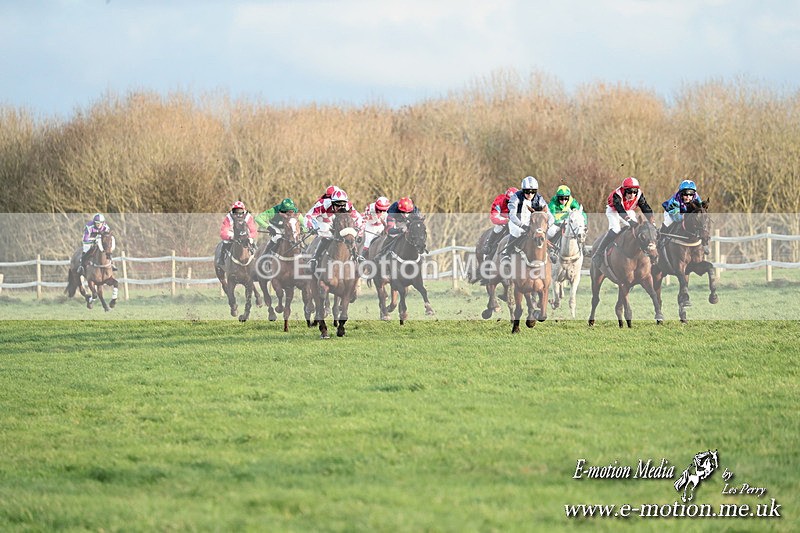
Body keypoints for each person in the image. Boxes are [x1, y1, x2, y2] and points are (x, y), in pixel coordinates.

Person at [592, 177, 655, 260]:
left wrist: (652, 222)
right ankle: (599, 252)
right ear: (624, 190)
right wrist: (628, 220)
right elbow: (620, 209)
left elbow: (645, 207)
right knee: (616, 229)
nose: (632, 194)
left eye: (634, 191)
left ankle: (639, 251)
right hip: (614, 211)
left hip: (628, 210)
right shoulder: (617, 195)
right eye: (629, 191)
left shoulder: (639, 194)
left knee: (636, 229)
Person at [306, 189, 365, 271]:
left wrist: (359, 232)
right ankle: (315, 258)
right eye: (337, 205)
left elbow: (359, 218)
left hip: (338, 222)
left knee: (350, 234)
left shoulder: (348, 206)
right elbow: (308, 216)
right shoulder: (323, 204)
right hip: (324, 221)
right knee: (327, 232)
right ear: (332, 202)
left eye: (343, 205)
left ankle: (356, 256)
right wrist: (312, 226)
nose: (340, 207)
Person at [501, 176, 553, 260]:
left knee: (542, 233)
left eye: (533, 192)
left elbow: (550, 216)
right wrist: (522, 225)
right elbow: (512, 216)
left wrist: (547, 226)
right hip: (516, 222)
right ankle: (507, 253)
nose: (530, 194)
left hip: (531, 223)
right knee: (517, 232)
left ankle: (550, 252)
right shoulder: (516, 197)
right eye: (527, 192)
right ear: (522, 190)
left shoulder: (539, 199)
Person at [546, 185, 588, 262]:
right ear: (557, 197)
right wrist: (561, 220)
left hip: (568, 221)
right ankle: (547, 247)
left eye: (566, 198)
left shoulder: (572, 201)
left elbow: (581, 213)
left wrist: (584, 223)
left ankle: (583, 246)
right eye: (561, 198)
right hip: (556, 223)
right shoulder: (552, 203)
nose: (564, 200)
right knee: (551, 231)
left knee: (578, 230)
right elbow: (552, 216)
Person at [218, 200, 257, 267]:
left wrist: (249, 236)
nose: (238, 214)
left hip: (245, 234)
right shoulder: (229, 217)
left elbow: (253, 231)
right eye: (236, 212)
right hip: (233, 233)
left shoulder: (248, 217)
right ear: (233, 211)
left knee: (252, 241)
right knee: (225, 241)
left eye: (240, 212)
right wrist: (230, 237)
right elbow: (223, 232)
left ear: (243, 211)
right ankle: (221, 259)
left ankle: (256, 257)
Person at [483, 187, 518, 258]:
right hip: (503, 220)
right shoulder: (499, 201)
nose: (510, 204)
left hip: (516, 222)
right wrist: (505, 220)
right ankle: (489, 245)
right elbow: (494, 217)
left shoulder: (522, 202)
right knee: (498, 228)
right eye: (508, 201)